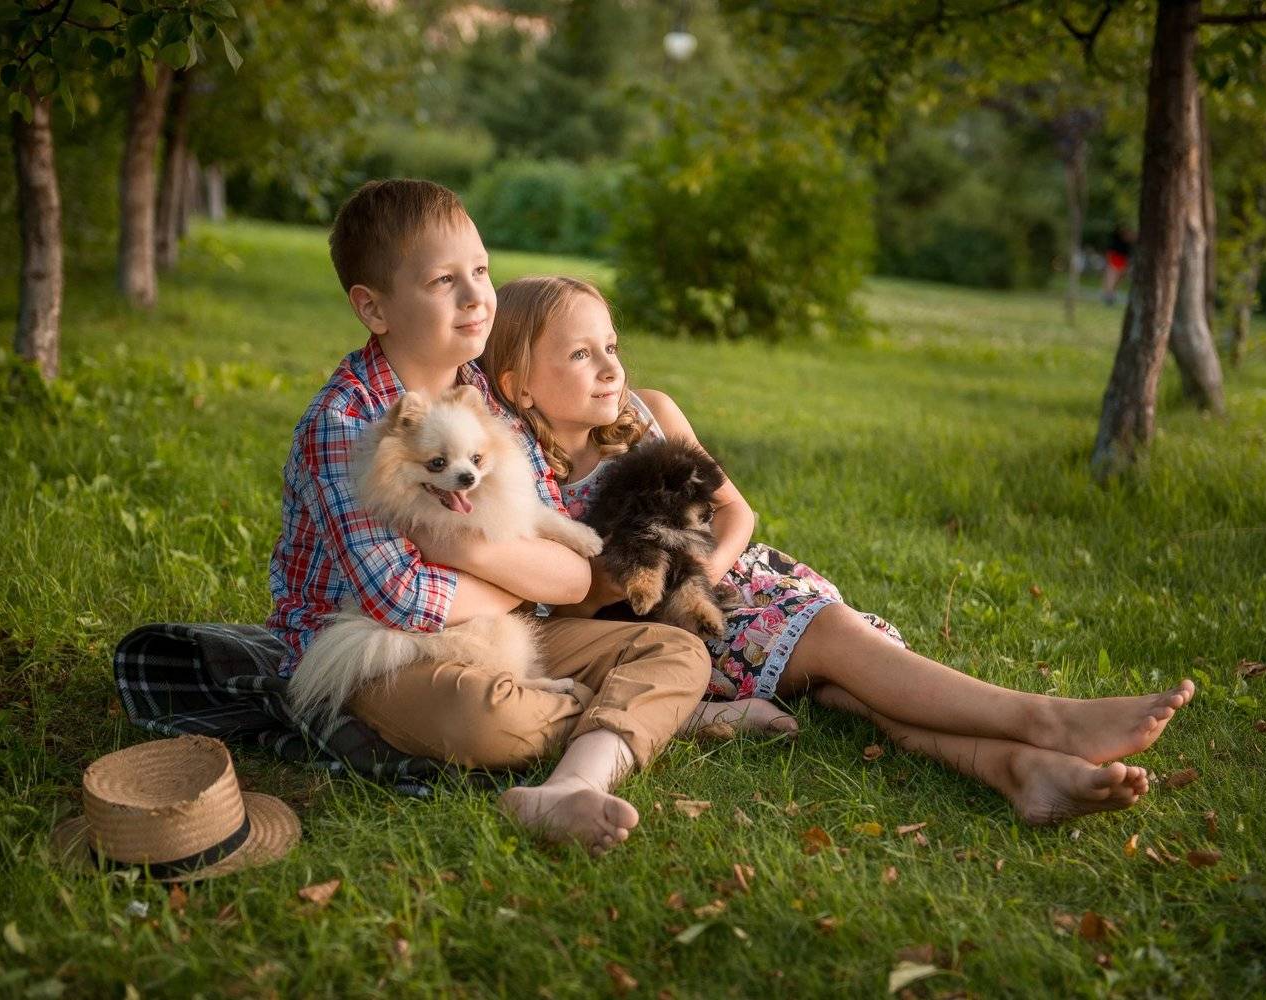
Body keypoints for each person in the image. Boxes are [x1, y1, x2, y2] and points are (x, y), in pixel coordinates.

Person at [482, 275, 1197, 825]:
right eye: (581, 354)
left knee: (849, 686)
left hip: (732, 582)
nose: (610, 367)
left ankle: (1021, 769)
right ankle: (1045, 721)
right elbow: (563, 601)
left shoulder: (652, 413)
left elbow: (735, 510)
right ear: (519, 385)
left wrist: (709, 573)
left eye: (611, 346)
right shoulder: (520, 477)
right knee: (839, 649)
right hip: (665, 634)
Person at [266, 181, 712, 854]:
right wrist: (517, 578)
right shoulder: (346, 422)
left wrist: (465, 553)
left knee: (675, 650)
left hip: (499, 633)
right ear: (373, 307)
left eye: (480, 270)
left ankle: (573, 778)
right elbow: (400, 600)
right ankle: (633, 716)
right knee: (487, 720)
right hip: (384, 655)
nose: (477, 297)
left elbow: (574, 574)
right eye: (444, 281)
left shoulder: (485, 401)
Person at [1102, 225, 1135, 305]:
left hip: (1122, 260)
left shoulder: (1126, 244)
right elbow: (1110, 252)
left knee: (1117, 279)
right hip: (1115, 259)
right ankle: (1108, 295)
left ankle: (1110, 295)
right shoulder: (1116, 242)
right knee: (1111, 278)